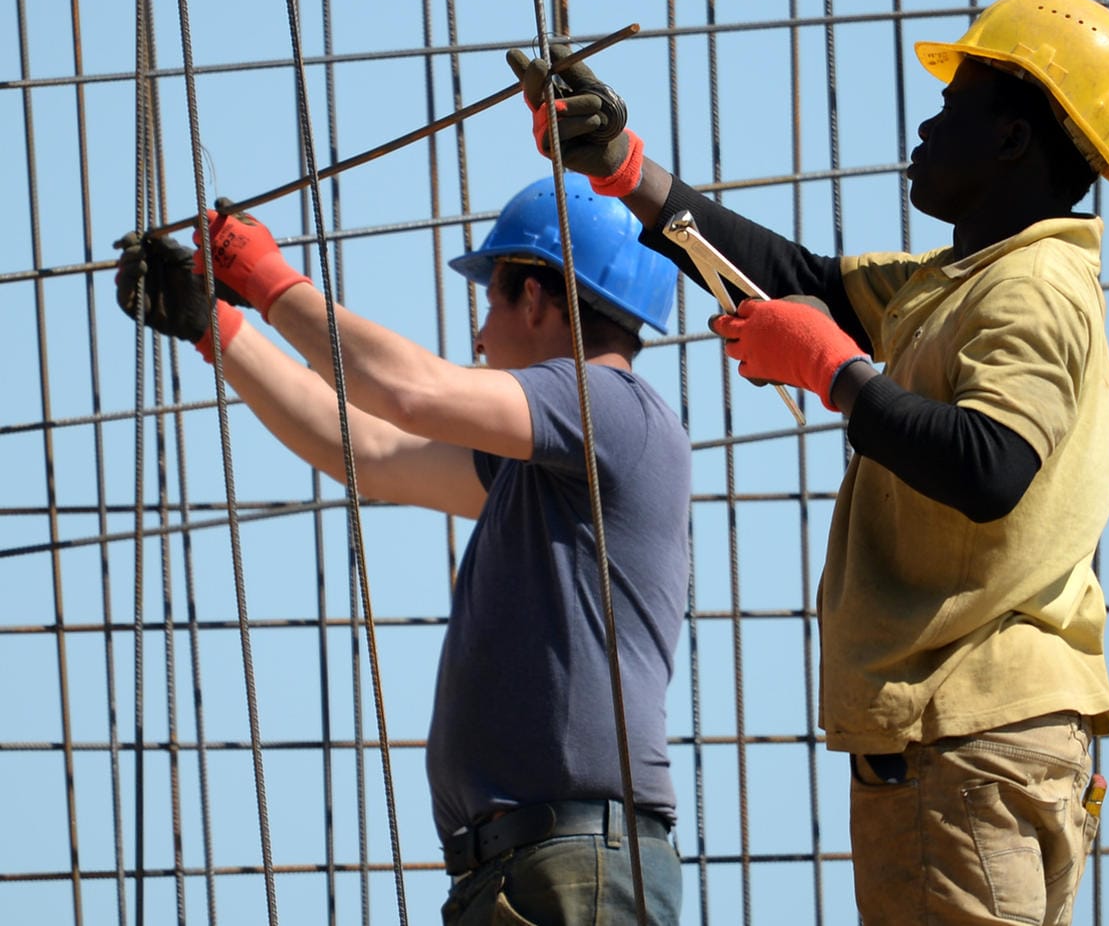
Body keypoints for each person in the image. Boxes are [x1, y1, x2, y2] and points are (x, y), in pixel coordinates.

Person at [509, 0, 1109, 926]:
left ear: (1013, 139)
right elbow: (802, 282)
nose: (925, 127)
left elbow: (990, 467)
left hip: (967, 732)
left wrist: (836, 373)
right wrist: (625, 168)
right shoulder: (961, 281)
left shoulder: (1031, 288)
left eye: (953, 107)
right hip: (977, 738)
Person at [113, 174, 690, 925]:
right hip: (529, 868)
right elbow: (373, 449)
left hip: (572, 860)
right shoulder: (549, 459)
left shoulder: (609, 408)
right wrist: (216, 328)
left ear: (538, 299)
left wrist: (269, 280)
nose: (480, 335)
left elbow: (410, 393)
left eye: (491, 298)